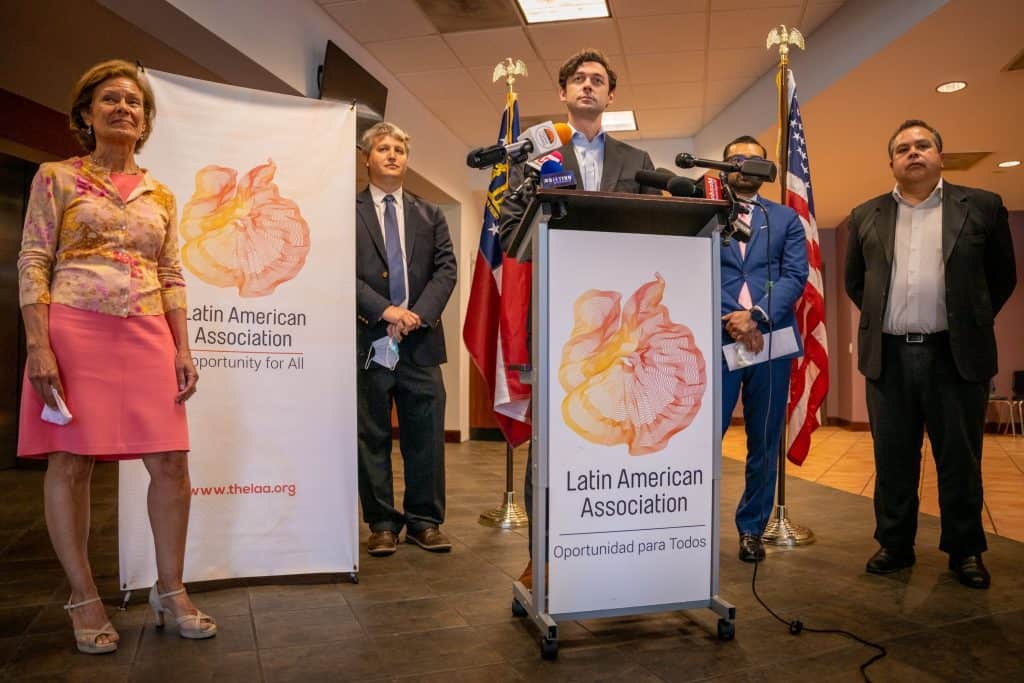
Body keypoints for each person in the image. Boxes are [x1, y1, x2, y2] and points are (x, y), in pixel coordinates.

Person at [17, 60, 216, 654]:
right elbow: (32, 258)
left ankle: (171, 589)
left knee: (172, 465)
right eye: (110, 99)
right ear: (86, 114)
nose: (124, 108)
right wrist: (38, 342)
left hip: (148, 331)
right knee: (72, 464)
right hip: (76, 330)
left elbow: (171, 271)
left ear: (145, 120)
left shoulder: (161, 192)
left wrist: (182, 345)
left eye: (134, 102)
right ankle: (83, 596)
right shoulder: (56, 177)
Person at [498, 49, 660, 588]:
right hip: (558, 317)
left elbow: (653, 227)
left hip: (623, 325)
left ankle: (613, 545)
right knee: (550, 438)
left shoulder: (638, 161)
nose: (588, 87)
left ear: (610, 96)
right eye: (578, 80)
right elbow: (508, 232)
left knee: (616, 428)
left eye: (598, 81)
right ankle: (541, 554)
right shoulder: (534, 156)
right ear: (564, 92)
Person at [845, 119, 1016, 588]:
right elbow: (857, 284)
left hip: (956, 357)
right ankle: (895, 546)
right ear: (892, 163)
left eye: (923, 145)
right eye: (903, 148)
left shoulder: (981, 206)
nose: (913, 153)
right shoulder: (866, 215)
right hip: (890, 358)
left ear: (941, 155)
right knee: (894, 459)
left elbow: (1002, 278)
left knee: (960, 460)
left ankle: (965, 551)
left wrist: (966, 320)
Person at [356, 121, 457, 557]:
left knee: (427, 435)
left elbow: (446, 270)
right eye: (383, 148)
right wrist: (386, 310)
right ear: (367, 159)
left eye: (400, 148)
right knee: (371, 434)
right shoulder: (346, 212)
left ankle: (423, 521)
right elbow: (339, 270)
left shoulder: (430, 213)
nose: (393, 154)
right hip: (368, 340)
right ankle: (381, 523)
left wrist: (417, 316)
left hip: (420, 343)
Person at [718, 136, 808, 562]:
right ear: (724, 168)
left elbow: (795, 275)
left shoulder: (786, 218)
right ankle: (691, 525)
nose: (745, 166)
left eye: (754, 160)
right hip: (715, 340)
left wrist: (755, 315)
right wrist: (731, 320)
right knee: (703, 439)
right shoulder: (706, 214)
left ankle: (752, 528)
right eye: (737, 160)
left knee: (764, 441)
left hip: (770, 342)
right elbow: (690, 268)